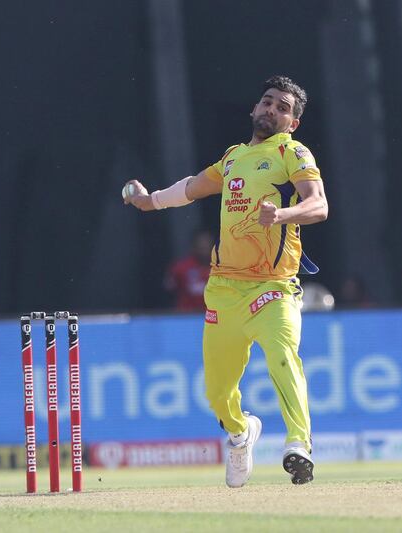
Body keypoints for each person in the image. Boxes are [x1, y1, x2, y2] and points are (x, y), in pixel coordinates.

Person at [123, 75, 327, 487]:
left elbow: (318, 204)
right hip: (225, 288)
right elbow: (193, 188)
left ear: (293, 122)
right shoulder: (233, 156)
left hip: (274, 285)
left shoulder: (292, 151)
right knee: (217, 393)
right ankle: (239, 433)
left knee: (282, 356)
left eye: (282, 108)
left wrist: (284, 215)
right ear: (254, 109)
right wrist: (150, 201)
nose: (272, 110)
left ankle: (298, 445)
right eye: (267, 102)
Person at [164, 228, 213, 311]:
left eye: (206, 245)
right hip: (186, 317)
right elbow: (168, 289)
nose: (204, 248)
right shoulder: (181, 267)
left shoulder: (221, 269)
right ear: (194, 246)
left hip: (213, 318)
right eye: (201, 245)